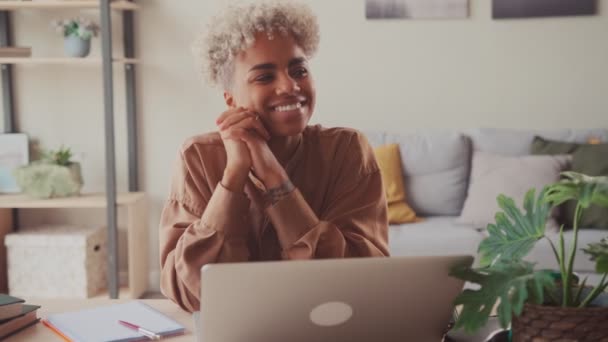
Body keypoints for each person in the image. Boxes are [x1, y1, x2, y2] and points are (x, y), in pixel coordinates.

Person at [159, 1, 389, 313]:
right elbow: (189, 293)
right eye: (265, 77)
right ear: (231, 99)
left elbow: (360, 282)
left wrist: (274, 177)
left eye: (299, 70)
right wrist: (234, 176)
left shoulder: (347, 151)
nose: (291, 86)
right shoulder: (198, 158)